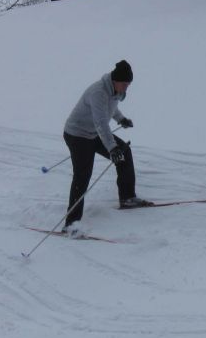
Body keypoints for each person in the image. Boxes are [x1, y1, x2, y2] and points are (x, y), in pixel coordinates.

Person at [62, 60, 152, 231]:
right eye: (125, 84)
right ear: (115, 81)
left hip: (94, 133)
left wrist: (121, 119)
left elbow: (111, 109)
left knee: (125, 152)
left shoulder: (114, 91)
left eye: (128, 84)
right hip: (77, 135)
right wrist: (112, 148)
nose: (126, 88)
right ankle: (71, 224)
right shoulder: (98, 92)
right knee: (82, 176)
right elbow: (101, 123)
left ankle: (127, 198)